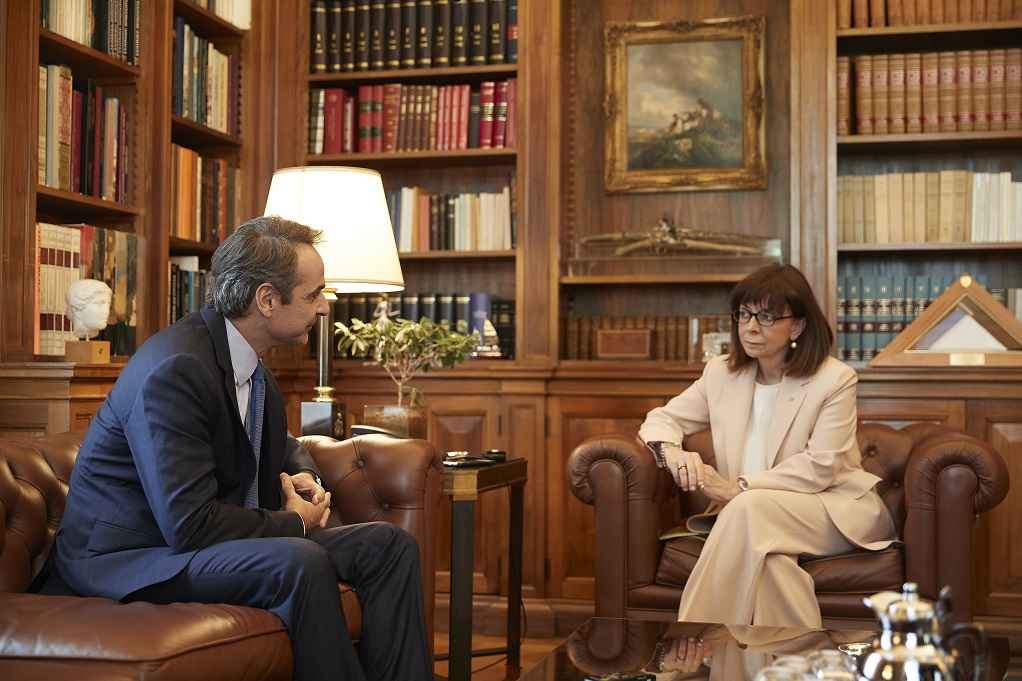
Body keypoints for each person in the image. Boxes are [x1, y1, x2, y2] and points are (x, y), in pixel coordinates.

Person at [51, 216, 432, 681]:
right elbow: (190, 525)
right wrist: (294, 522)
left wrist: (306, 477)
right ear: (267, 299)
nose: (323, 307)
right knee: (300, 559)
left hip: (196, 543)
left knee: (389, 545)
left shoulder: (249, 366)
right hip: (135, 557)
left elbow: (280, 442)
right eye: (313, 295)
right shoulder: (176, 370)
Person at [639, 263, 896, 628]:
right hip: (753, 518)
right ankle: (794, 654)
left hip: (829, 511)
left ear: (798, 325)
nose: (750, 327)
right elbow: (661, 420)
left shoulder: (834, 379)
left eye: (767, 316)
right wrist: (673, 453)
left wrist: (737, 488)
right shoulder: (721, 373)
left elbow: (820, 466)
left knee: (748, 508)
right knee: (772, 565)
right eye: (744, 314)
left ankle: (694, 639)